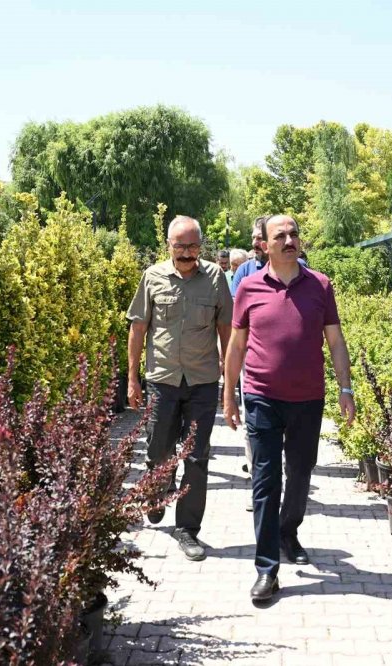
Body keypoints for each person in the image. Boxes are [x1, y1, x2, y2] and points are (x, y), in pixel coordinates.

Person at [223, 214, 356, 602]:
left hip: (308, 398)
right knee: (265, 481)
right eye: (279, 235)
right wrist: (229, 393)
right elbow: (236, 346)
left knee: (300, 473)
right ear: (263, 244)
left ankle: (288, 530)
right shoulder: (248, 287)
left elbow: (335, 341)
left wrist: (345, 388)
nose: (289, 239)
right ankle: (267, 568)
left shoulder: (320, 286)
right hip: (262, 396)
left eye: (293, 233)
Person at [127, 216, 233, 562]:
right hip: (162, 380)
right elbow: (138, 329)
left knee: (197, 457)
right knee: (159, 450)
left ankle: (187, 529)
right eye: (180, 246)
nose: (186, 253)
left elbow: (226, 330)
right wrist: (132, 377)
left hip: (202, 381)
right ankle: (158, 490)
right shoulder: (152, 277)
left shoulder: (216, 279)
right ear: (168, 245)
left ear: (201, 246)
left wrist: (229, 381)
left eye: (192, 246)